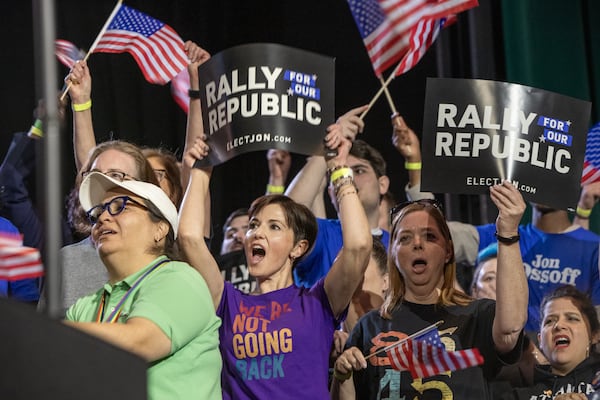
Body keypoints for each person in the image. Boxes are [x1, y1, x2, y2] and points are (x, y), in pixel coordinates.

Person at [178, 126, 373, 398]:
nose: (257, 232)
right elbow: (188, 238)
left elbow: (359, 245)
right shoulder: (227, 302)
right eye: (254, 225)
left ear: (298, 247)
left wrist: (339, 170)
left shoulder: (318, 302)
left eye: (274, 227)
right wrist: (201, 170)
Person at [395, 114, 600, 338]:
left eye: (552, 172)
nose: (542, 181)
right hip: (505, 357)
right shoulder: (500, 234)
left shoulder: (592, 248)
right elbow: (432, 229)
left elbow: (596, 322)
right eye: (536, 171)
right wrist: (414, 163)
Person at [333, 180, 529, 399]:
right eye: (405, 238)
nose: (417, 244)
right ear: (394, 255)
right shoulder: (369, 326)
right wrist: (342, 376)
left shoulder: (478, 316)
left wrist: (508, 231)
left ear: (447, 251)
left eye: (429, 236)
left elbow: (511, 329)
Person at [65, 172, 221, 400]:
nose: (103, 218)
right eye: (97, 212)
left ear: (160, 229)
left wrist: (46, 331)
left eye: (120, 206)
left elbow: (139, 341)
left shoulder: (180, 278)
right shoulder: (85, 306)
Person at [286, 105, 391, 288]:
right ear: (331, 193)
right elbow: (287, 216)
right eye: (340, 172)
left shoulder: (400, 242)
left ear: (382, 184)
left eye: (359, 170)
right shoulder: (322, 234)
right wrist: (329, 148)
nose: (348, 177)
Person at [500, 285, 600, 400]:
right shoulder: (517, 396)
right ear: (540, 340)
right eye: (549, 321)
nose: (558, 325)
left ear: (594, 335)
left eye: (572, 318)